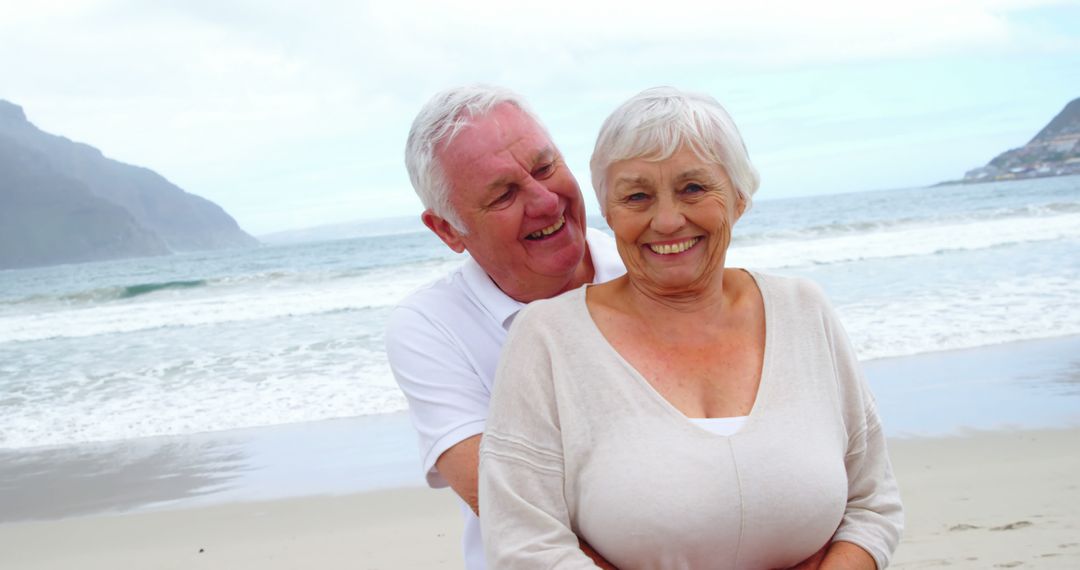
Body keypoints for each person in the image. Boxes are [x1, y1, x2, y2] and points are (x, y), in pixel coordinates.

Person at [479, 87, 904, 569]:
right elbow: (524, 544)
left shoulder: (804, 310)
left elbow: (873, 505)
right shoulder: (547, 339)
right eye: (637, 196)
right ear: (610, 214)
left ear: (739, 197)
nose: (666, 220)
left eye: (694, 188)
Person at [386, 85, 626, 570]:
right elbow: (514, 521)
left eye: (544, 168)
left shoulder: (645, 264)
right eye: (503, 194)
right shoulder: (431, 328)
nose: (544, 202)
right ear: (448, 230)